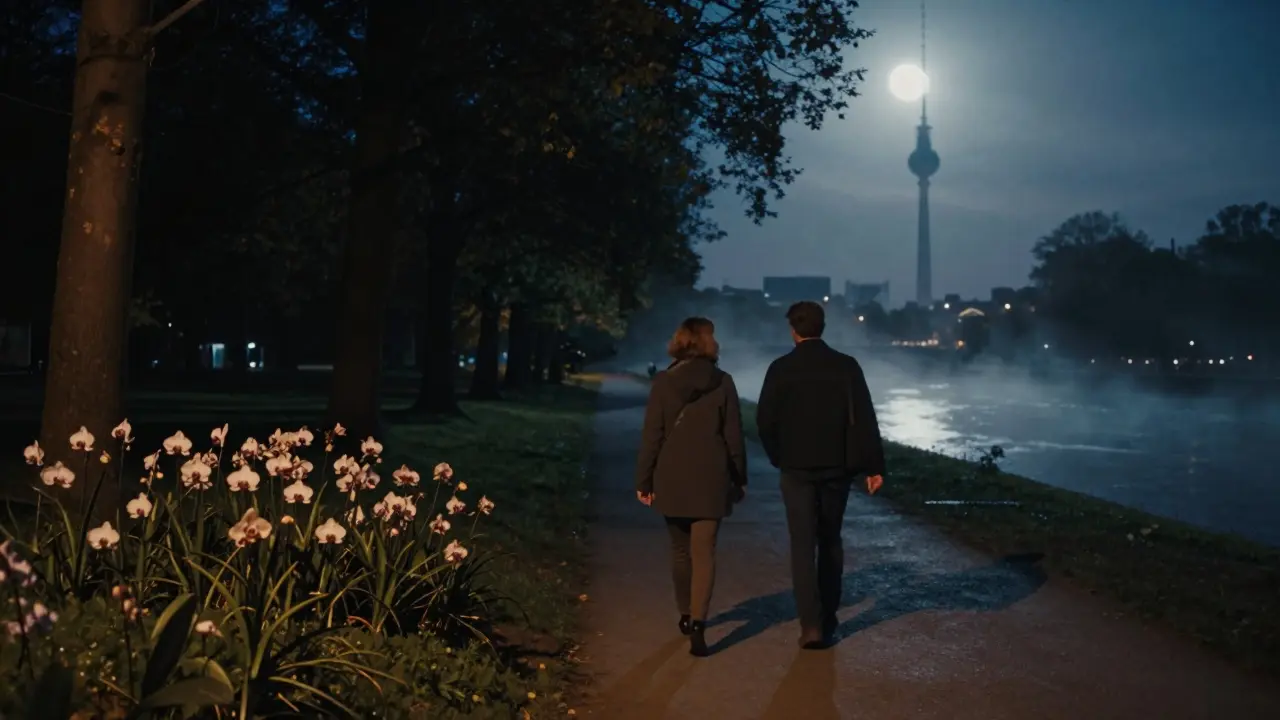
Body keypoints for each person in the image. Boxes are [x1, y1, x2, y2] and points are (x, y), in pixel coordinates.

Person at [756, 300, 886, 650]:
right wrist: (875, 466)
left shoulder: (780, 368)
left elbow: (764, 421)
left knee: (802, 545)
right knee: (830, 540)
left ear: (793, 330)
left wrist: (778, 456)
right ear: (823, 326)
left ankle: (810, 624)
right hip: (836, 467)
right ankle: (828, 619)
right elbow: (865, 417)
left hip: (795, 468)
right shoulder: (846, 366)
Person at [635, 317, 747, 657]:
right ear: (708, 343)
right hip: (711, 477)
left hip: (672, 475)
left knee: (680, 551)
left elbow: (652, 435)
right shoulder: (724, 382)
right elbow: (733, 438)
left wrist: (644, 479)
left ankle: (685, 612)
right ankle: (700, 622)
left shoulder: (664, 382)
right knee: (705, 552)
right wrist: (738, 477)